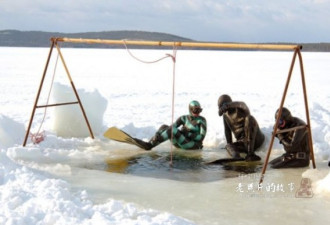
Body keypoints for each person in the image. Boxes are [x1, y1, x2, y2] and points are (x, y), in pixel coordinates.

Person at [134, 100, 207, 150]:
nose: (198, 113)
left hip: (194, 145)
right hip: (181, 144)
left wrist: (187, 133)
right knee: (164, 127)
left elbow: (201, 138)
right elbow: (172, 127)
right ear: (190, 109)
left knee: (172, 130)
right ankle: (150, 143)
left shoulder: (202, 121)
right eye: (195, 110)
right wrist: (158, 133)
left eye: (199, 110)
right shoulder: (184, 118)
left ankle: (149, 146)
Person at [218, 94, 265, 161]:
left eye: (225, 104)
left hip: (255, 140)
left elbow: (242, 104)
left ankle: (250, 154)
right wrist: (231, 147)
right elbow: (227, 131)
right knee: (228, 146)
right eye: (222, 106)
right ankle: (236, 157)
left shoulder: (240, 107)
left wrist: (228, 105)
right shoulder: (225, 116)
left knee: (249, 119)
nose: (224, 107)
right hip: (243, 143)